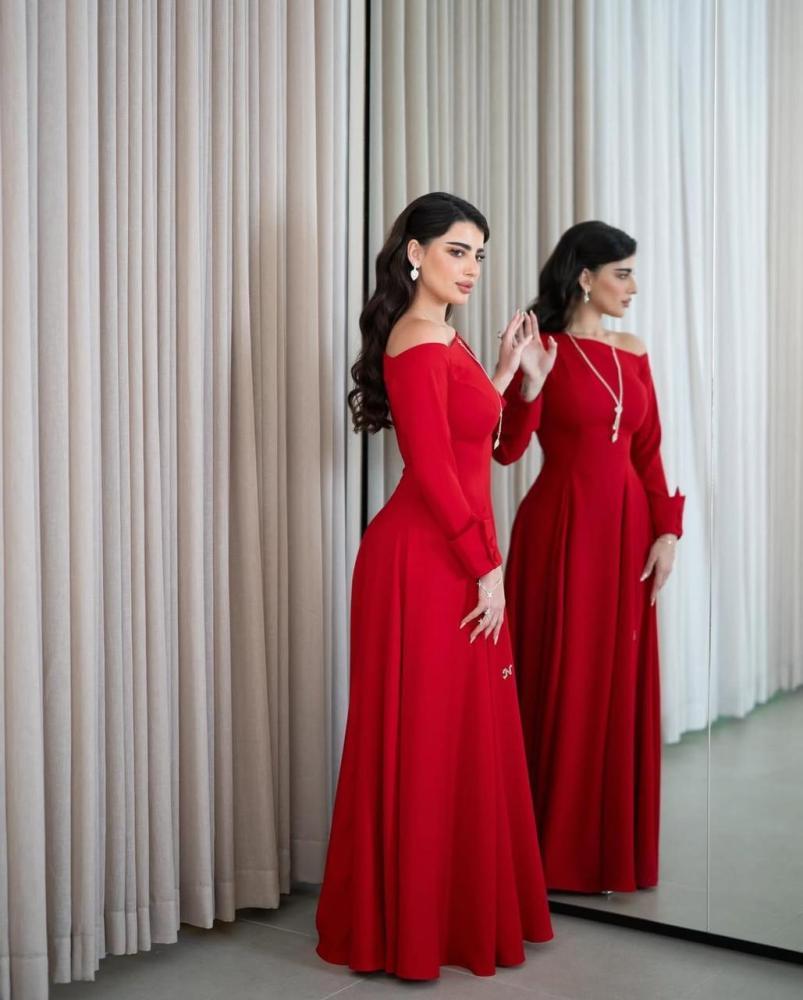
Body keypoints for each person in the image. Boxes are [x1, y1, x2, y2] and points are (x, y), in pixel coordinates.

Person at [316, 192, 553, 980]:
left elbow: (492, 450)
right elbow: (428, 468)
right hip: (423, 564)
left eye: (479, 254)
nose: (472, 267)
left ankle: (447, 918)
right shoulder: (416, 340)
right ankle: (411, 930)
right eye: (457, 250)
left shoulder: (445, 339)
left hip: (454, 553)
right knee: (427, 739)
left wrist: (516, 378)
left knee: (458, 738)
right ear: (414, 254)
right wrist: (486, 565)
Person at [495, 221, 684, 894]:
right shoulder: (541, 346)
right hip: (560, 530)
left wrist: (666, 533)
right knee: (562, 675)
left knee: (616, 679)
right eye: (621, 274)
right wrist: (527, 385)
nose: (632, 288)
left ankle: (608, 851)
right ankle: (548, 852)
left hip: (628, 532)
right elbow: (506, 450)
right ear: (584, 277)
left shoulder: (634, 351)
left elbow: (648, 452)